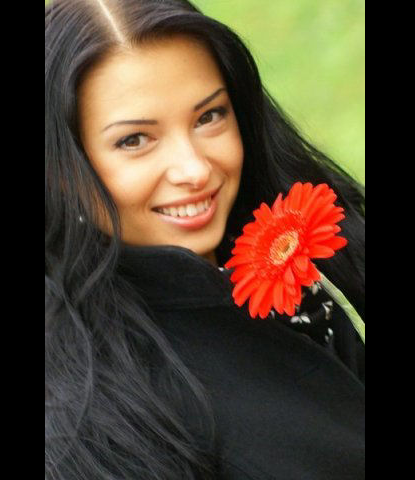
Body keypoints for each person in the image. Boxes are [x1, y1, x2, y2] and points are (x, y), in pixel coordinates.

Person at [45, 0, 365, 479]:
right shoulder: (90, 417)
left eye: (209, 116)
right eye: (134, 140)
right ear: (63, 172)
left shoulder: (279, 270)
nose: (194, 169)